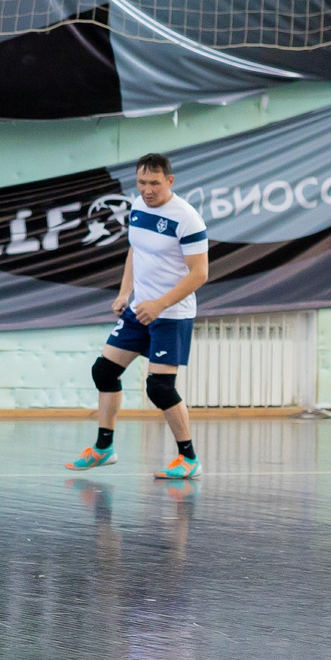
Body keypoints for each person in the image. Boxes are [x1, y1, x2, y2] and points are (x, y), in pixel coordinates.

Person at [67, 152, 207, 480]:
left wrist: (160, 304)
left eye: (154, 183)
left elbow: (200, 273)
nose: (147, 189)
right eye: (141, 182)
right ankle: (104, 448)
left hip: (171, 314)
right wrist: (124, 292)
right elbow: (136, 249)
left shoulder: (187, 218)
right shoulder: (138, 207)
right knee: (104, 371)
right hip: (139, 309)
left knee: (159, 387)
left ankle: (188, 458)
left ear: (170, 181)